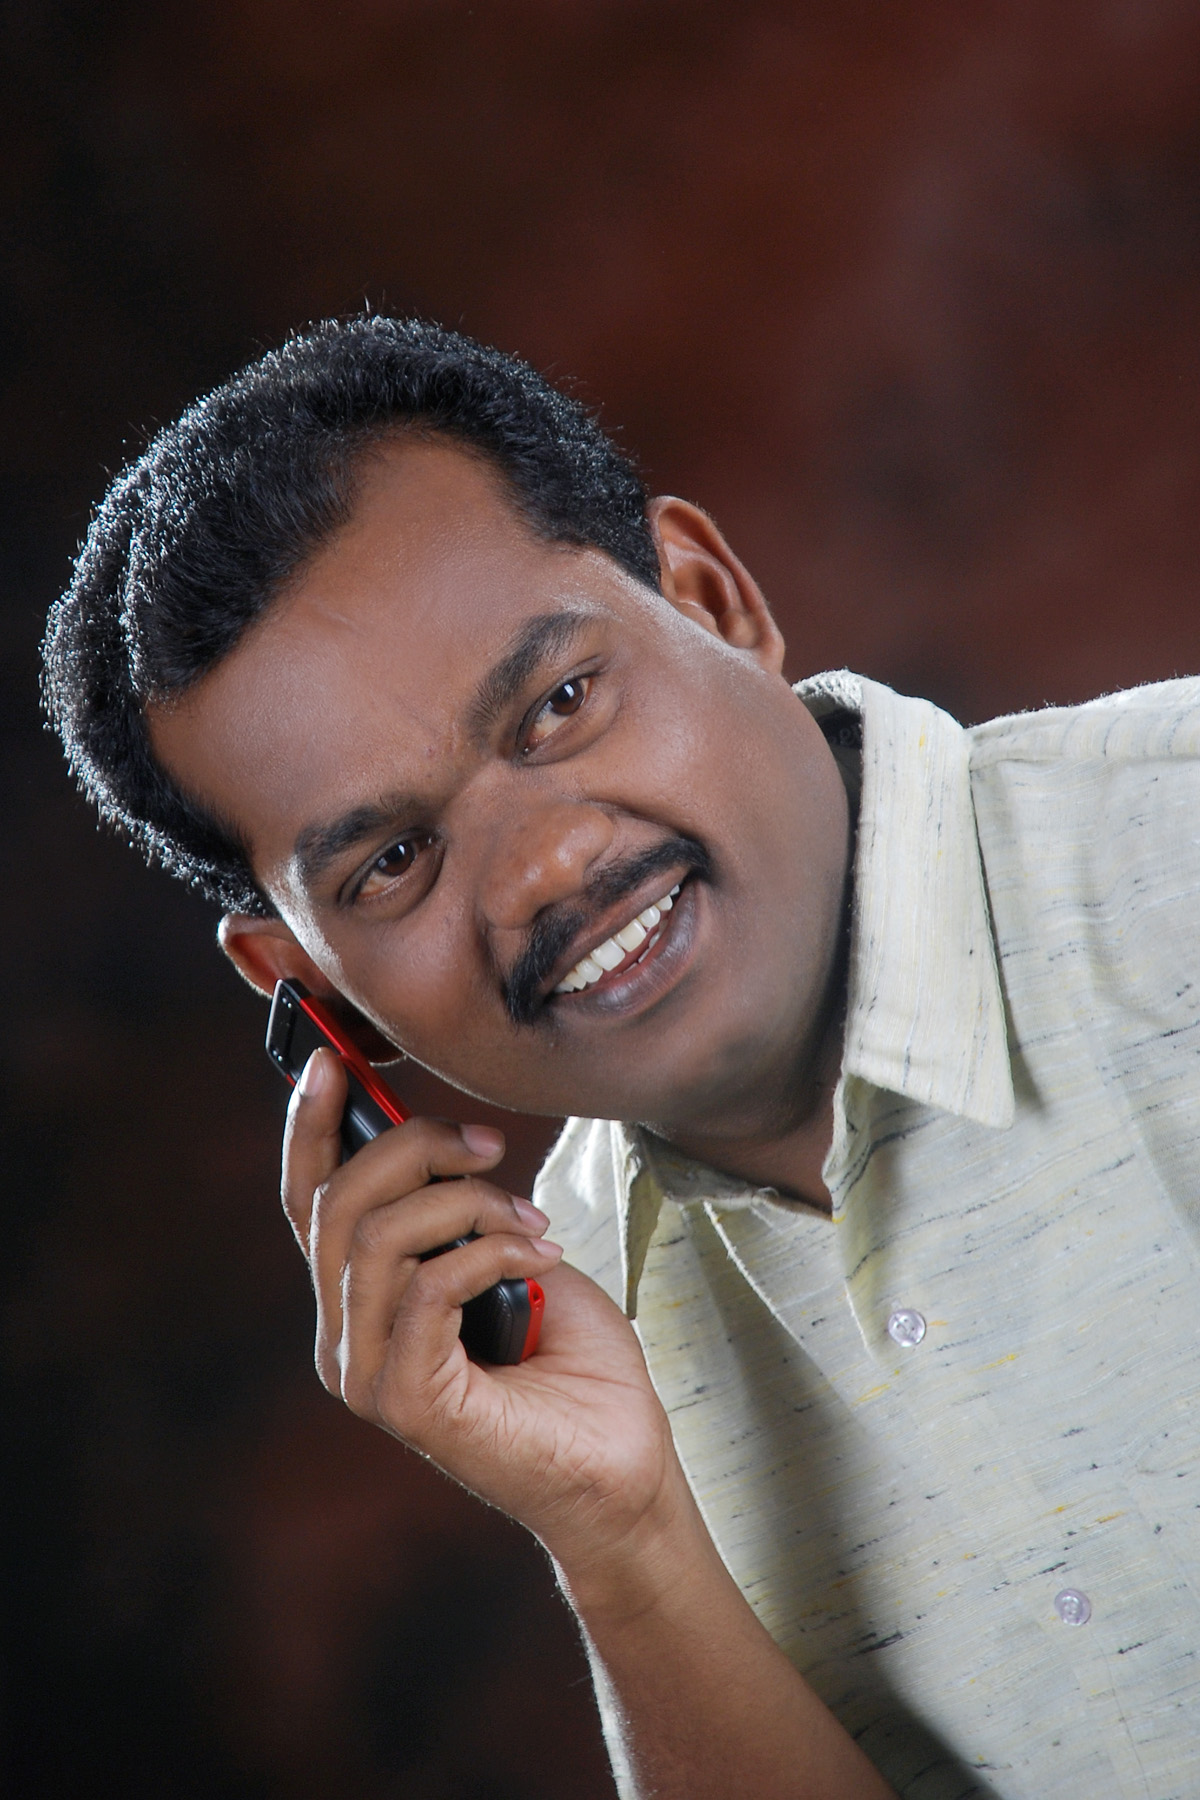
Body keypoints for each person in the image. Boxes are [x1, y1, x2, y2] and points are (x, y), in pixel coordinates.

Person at [42, 316, 1200, 1800]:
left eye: (560, 705)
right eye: (392, 861)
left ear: (712, 599)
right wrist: (623, 1542)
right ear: (308, 985)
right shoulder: (565, 1312)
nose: (544, 868)